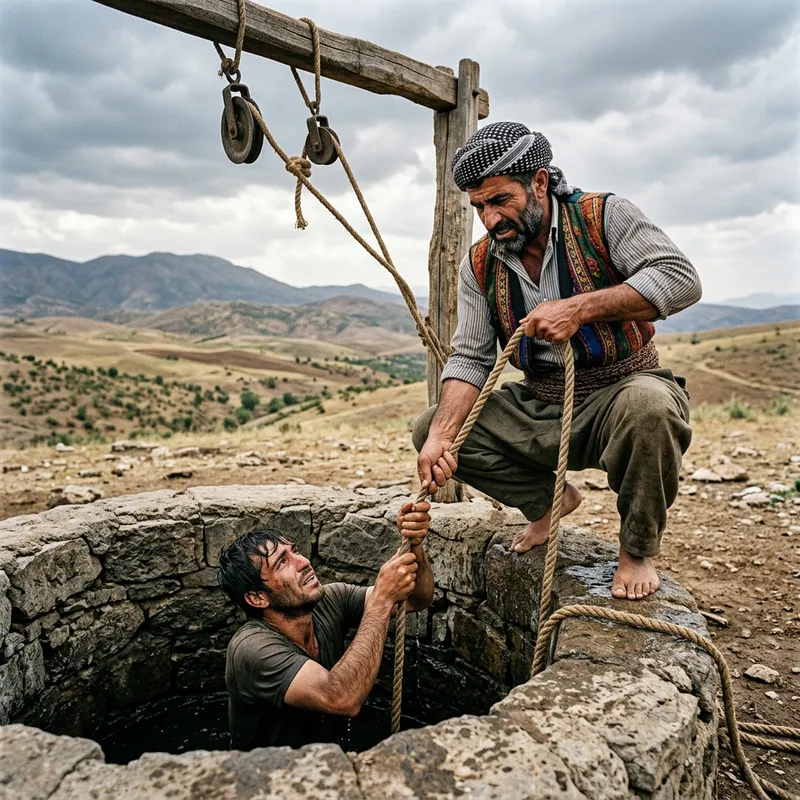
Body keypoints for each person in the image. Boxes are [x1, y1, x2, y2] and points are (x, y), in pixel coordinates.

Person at [415, 121, 702, 601]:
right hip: (542, 403)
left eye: (500, 200)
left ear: (539, 182)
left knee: (651, 409)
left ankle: (636, 551)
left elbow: (680, 279)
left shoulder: (604, 216)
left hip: (624, 390)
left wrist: (580, 308)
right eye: (479, 206)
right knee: (430, 428)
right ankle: (548, 504)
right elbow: (471, 356)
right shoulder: (480, 264)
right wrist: (443, 436)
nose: (490, 219)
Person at [217, 501, 433, 750]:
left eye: (295, 551)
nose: (303, 562)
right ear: (257, 598)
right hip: (273, 771)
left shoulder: (330, 600)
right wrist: (381, 600)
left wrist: (414, 545)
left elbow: (418, 599)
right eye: (282, 563)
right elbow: (342, 699)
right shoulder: (251, 649)